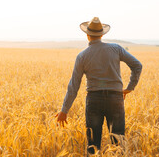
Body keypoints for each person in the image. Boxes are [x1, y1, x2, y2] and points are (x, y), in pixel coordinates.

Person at [55, 17, 143, 155]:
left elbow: (74, 86)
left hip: (94, 100)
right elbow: (137, 65)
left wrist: (64, 110)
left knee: (93, 144)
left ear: (87, 35)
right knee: (118, 142)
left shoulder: (82, 56)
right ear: (102, 35)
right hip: (115, 99)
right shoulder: (116, 49)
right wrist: (129, 88)